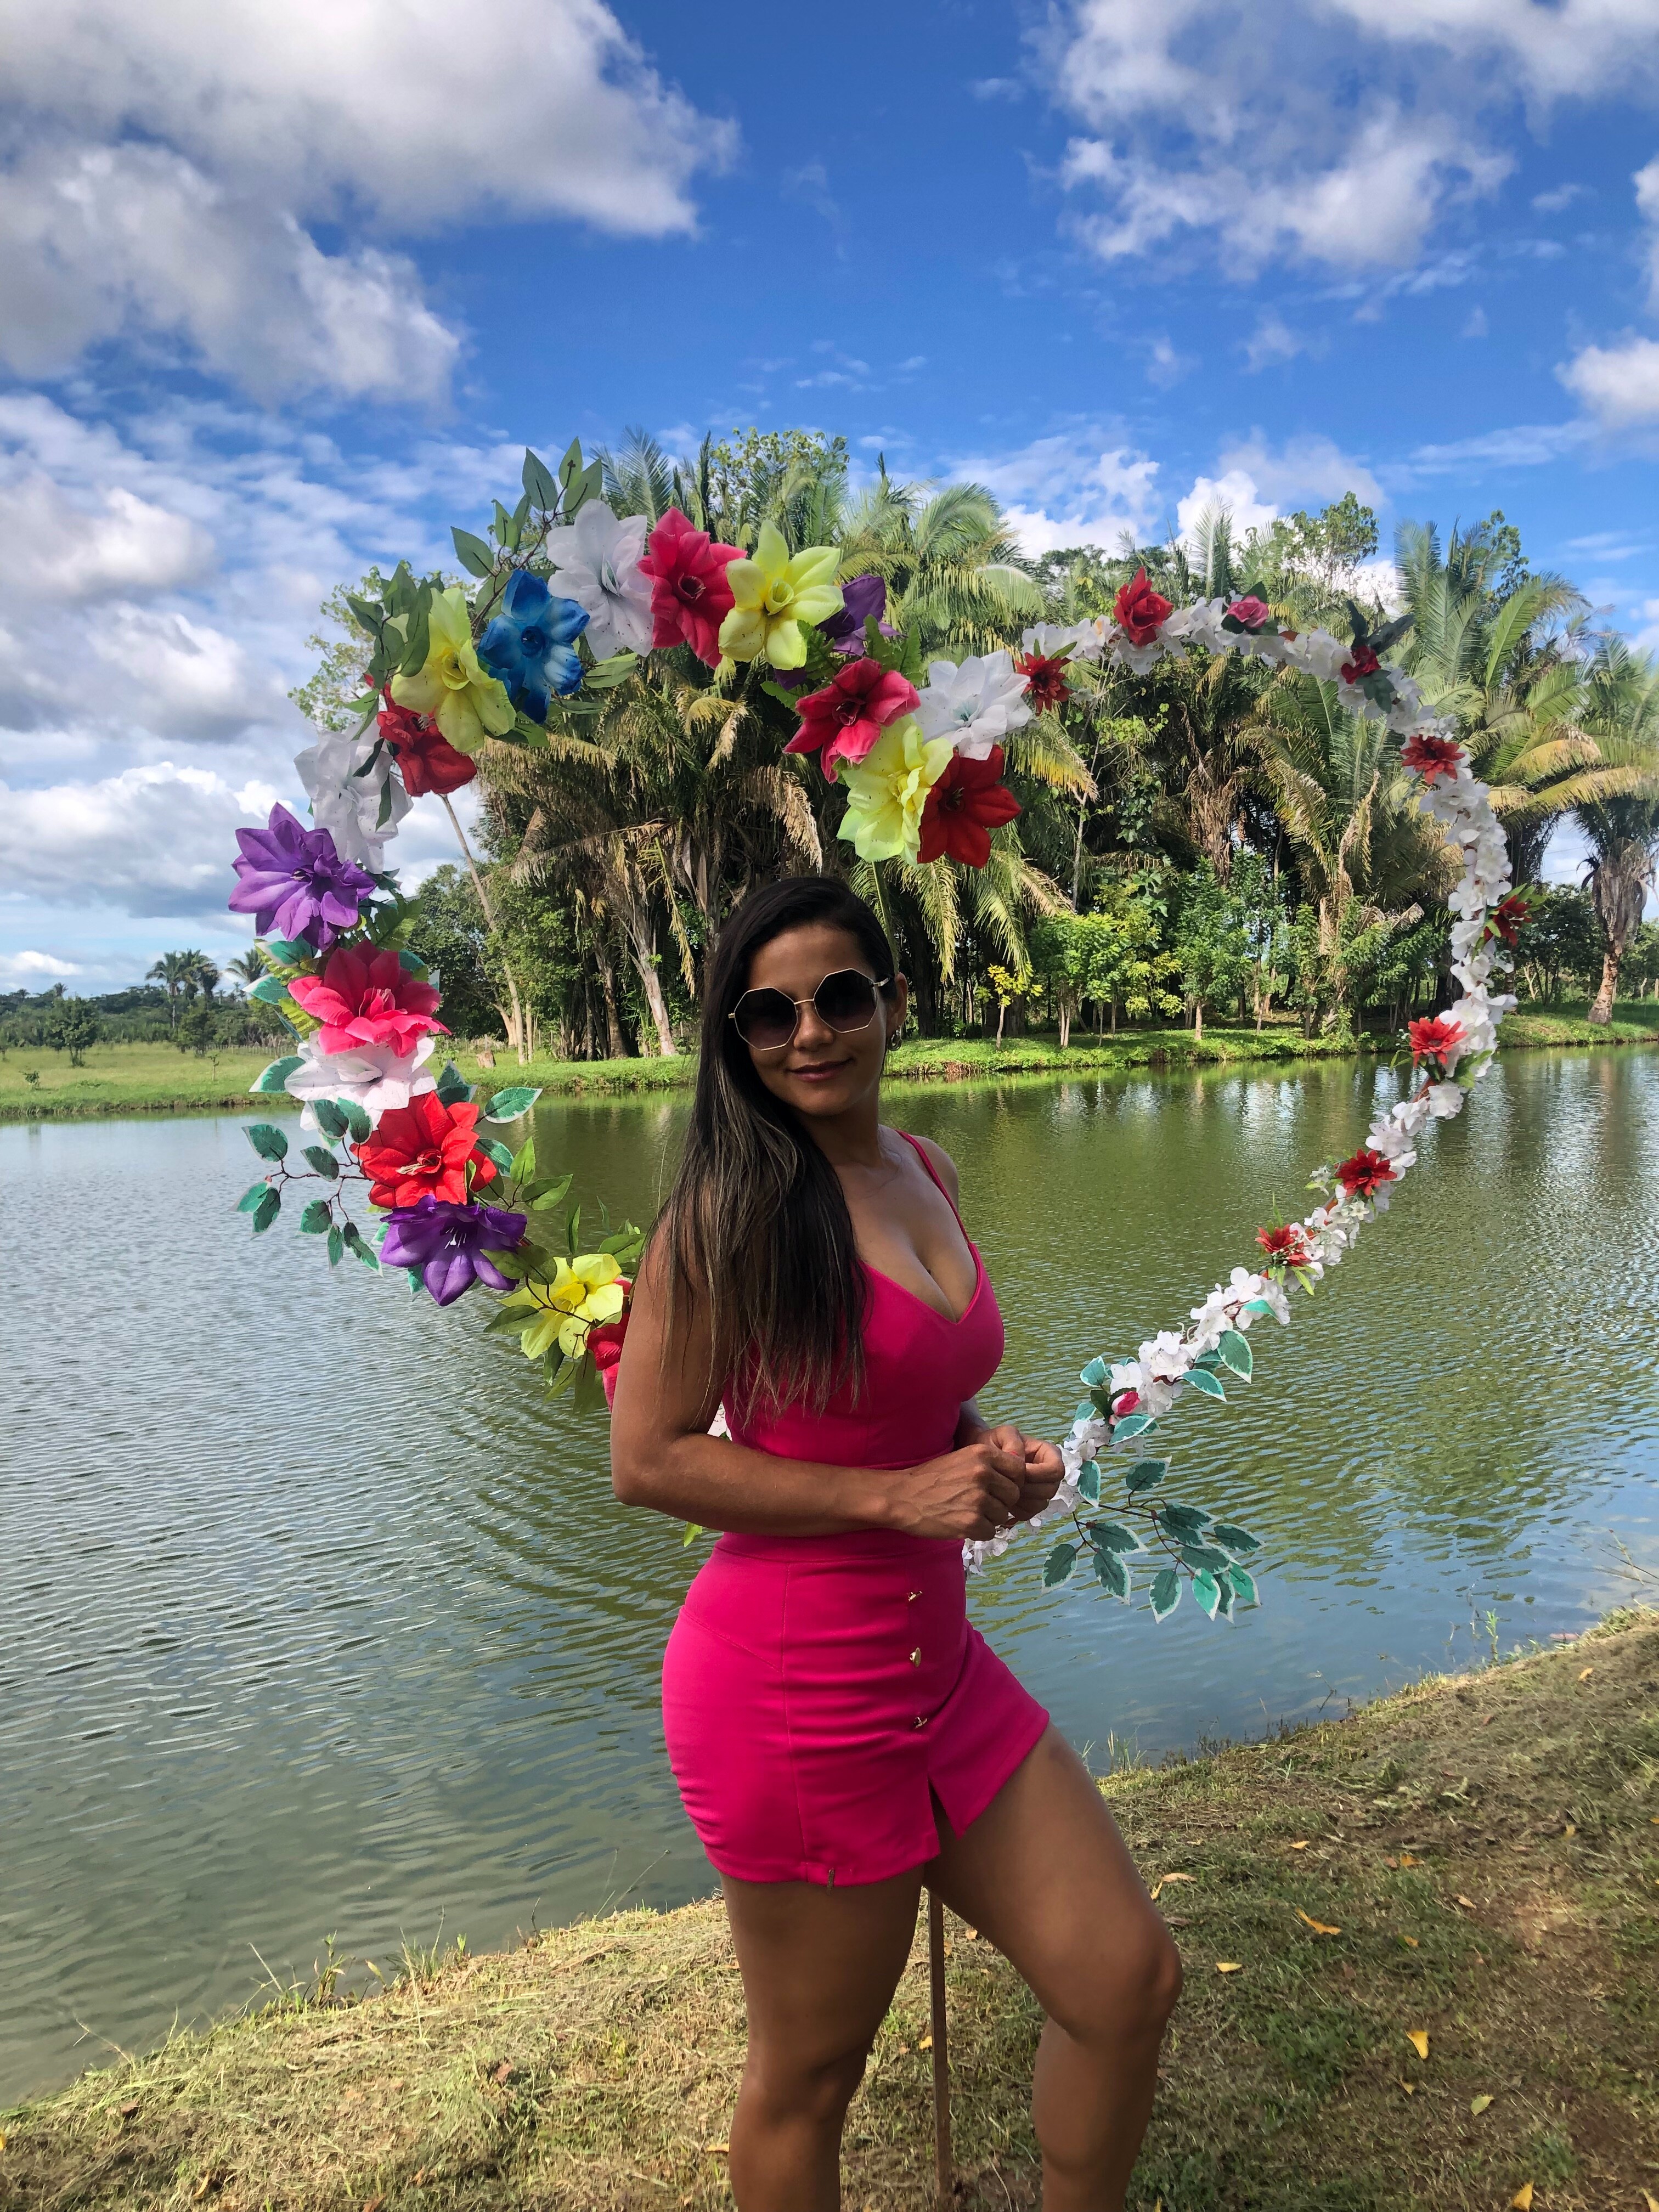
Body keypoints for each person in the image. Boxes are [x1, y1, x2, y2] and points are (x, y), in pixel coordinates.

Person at [610, 876, 1181, 2212]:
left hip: (939, 1670)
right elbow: (650, 1460)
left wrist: (988, 1454)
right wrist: (894, 1500)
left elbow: (910, 1395)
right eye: (770, 1014)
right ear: (736, 1039)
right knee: (810, 2078)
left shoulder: (927, 1168)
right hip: (792, 1693)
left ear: (894, 1003)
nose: (810, 1033)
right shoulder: (726, 1218)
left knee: (1126, 1981)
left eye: (839, 997)